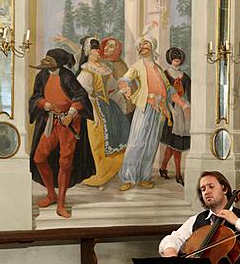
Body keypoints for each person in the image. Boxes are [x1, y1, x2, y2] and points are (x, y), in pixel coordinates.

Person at [29, 48, 95, 218]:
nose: (46, 64)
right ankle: (51, 194)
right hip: (50, 122)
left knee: (65, 163)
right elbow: (35, 97)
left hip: (69, 125)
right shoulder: (42, 76)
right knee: (39, 158)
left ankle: (61, 203)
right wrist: (45, 104)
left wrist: (71, 114)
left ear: (58, 62)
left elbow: (81, 98)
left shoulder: (67, 76)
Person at [117, 34, 189, 191]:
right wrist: (125, 87)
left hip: (159, 110)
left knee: (151, 145)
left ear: (152, 47)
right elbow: (126, 79)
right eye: (141, 46)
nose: (143, 47)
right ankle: (128, 177)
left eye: (146, 45)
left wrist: (183, 105)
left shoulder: (158, 69)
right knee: (136, 142)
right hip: (145, 106)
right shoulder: (137, 66)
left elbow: (169, 89)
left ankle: (144, 176)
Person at [76, 36, 130, 188]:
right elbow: (83, 93)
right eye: (94, 49)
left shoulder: (105, 68)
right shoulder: (86, 70)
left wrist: (121, 92)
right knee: (98, 141)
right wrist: (93, 109)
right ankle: (99, 175)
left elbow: (111, 90)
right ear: (88, 51)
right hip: (93, 108)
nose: (98, 51)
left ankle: (113, 172)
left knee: (121, 135)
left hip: (109, 106)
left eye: (98, 48)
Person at [159, 47, 191, 185]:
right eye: (174, 56)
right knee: (174, 144)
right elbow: (163, 93)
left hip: (183, 112)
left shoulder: (185, 76)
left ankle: (163, 168)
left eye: (179, 56)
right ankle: (178, 173)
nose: (176, 58)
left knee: (173, 145)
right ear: (170, 58)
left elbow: (189, 94)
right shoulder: (164, 75)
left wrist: (188, 108)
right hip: (170, 111)